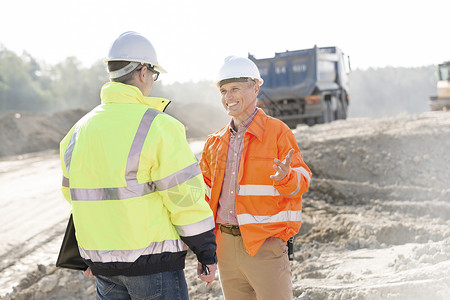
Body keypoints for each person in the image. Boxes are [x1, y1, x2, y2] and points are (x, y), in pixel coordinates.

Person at [59, 31, 217, 300]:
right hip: (153, 266)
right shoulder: (158, 126)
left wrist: (92, 253)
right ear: (143, 72)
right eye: (154, 75)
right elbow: (184, 198)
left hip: (102, 268)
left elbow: (74, 196)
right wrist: (206, 251)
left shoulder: (77, 131)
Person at [199, 56, 312, 300]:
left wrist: (286, 177)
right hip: (226, 248)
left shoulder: (278, 132)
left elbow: (303, 180)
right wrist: (206, 251)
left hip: (265, 246)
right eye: (224, 91)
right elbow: (204, 198)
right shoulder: (214, 142)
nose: (229, 97)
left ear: (255, 87)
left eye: (235, 89)